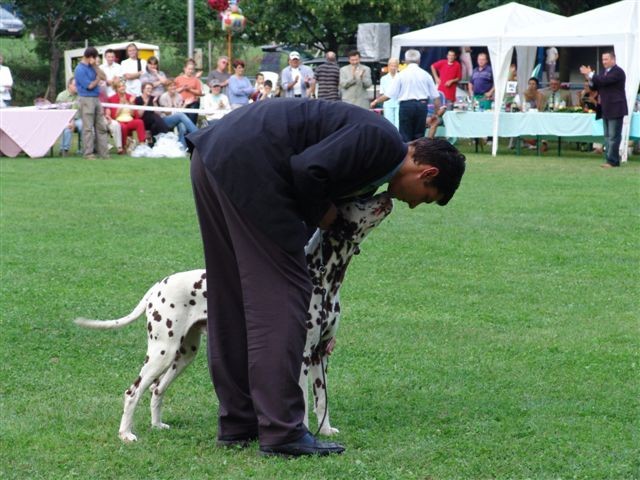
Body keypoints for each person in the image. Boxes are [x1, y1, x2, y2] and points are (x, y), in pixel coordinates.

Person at [187, 98, 466, 457]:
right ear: (427, 173)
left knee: (231, 297)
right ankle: (282, 432)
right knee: (284, 298)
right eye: (425, 198)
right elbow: (307, 170)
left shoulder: (374, 153)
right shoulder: (383, 143)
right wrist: (326, 215)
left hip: (214, 158)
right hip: (248, 166)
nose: (413, 205)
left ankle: (239, 423)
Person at [377, 49, 440, 142]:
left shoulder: (401, 75)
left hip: (406, 105)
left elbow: (388, 95)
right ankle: (418, 154)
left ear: (406, 61)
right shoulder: (426, 75)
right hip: (421, 105)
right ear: (419, 60)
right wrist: (435, 113)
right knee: (419, 135)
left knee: (405, 134)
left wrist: (376, 101)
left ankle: (407, 154)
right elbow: (436, 97)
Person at [580, 51, 628, 168]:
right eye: (603, 60)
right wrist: (589, 77)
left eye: (606, 59)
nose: (604, 62)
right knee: (607, 136)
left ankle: (613, 161)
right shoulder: (603, 72)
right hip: (605, 108)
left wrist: (591, 74)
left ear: (613, 60)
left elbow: (604, 81)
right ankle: (609, 159)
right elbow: (595, 86)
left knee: (613, 136)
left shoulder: (618, 72)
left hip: (616, 108)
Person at [74, 47, 110, 159]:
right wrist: (98, 79)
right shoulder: (79, 69)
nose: (96, 60)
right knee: (88, 128)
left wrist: (95, 66)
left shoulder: (93, 67)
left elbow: (104, 77)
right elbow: (89, 86)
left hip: (96, 98)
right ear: (90, 57)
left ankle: (104, 153)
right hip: (86, 99)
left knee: (101, 127)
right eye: (95, 58)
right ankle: (88, 153)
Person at [157, 79, 199, 149]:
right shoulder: (163, 97)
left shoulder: (179, 96)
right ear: (167, 88)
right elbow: (166, 113)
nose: (173, 87)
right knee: (180, 115)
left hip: (177, 118)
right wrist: (176, 111)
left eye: (174, 86)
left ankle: (182, 148)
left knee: (182, 126)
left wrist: (185, 104)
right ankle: (197, 134)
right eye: (170, 86)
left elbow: (180, 110)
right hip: (165, 120)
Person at [106, 79, 146, 148]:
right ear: (116, 89)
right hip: (119, 121)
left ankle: (142, 145)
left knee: (140, 122)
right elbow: (114, 116)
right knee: (123, 127)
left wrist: (131, 103)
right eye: (120, 87)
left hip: (130, 120)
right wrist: (120, 105)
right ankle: (123, 146)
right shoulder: (111, 99)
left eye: (123, 86)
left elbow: (134, 115)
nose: (122, 88)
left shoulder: (130, 97)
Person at [56, 77, 83, 156]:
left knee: (84, 125)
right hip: (64, 119)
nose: (77, 87)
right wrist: (70, 121)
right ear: (69, 85)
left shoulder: (81, 96)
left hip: (79, 119)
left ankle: (83, 149)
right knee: (67, 127)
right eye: (75, 85)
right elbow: (59, 113)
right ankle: (64, 149)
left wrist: (74, 121)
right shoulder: (61, 96)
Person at [370, 57, 400, 129]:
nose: (393, 68)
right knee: (389, 124)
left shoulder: (401, 77)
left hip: (399, 103)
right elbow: (382, 93)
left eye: (395, 66)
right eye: (391, 65)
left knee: (398, 124)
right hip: (388, 104)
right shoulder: (384, 78)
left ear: (398, 66)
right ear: (388, 66)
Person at [175, 59, 203, 124]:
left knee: (191, 122)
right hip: (181, 103)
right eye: (189, 69)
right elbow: (173, 91)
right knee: (182, 123)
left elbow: (199, 92)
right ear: (184, 69)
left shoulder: (196, 80)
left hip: (193, 103)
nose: (190, 71)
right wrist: (182, 88)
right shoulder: (178, 79)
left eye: (192, 69)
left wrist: (190, 89)